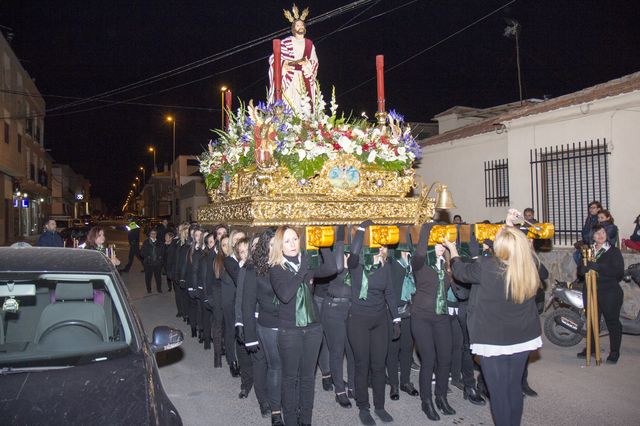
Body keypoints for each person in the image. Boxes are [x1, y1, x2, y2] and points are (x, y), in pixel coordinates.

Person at [445, 210, 543, 426]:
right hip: (522, 336)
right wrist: (509, 224)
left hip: (493, 338)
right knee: (513, 388)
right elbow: (515, 244)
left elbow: (460, 271)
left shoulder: (487, 266)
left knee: (499, 393)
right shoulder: (528, 265)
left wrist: (452, 249)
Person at [269, 226, 336, 426]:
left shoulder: (307, 261)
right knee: (290, 379)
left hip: (313, 329)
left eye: (295, 239)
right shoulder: (276, 268)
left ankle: (306, 420)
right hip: (289, 331)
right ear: (280, 245)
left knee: (308, 378)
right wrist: (302, 271)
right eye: (287, 241)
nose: (292, 244)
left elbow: (332, 268)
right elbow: (286, 294)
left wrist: (323, 244)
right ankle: (290, 420)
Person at [346, 221, 400, 426]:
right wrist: (362, 229)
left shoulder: (385, 267)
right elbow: (354, 250)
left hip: (379, 320)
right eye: (376, 245)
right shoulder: (356, 264)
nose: (380, 249)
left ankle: (379, 406)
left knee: (379, 366)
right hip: (358, 320)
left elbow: (390, 293)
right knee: (363, 365)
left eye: (383, 246)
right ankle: (364, 408)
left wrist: (395, 318)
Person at [411, 224, 455, 421]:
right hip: (421, 317)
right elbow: (420, 251)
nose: (439, 246)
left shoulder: (447, 265)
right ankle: (426, 401)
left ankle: (441, 397)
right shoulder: (420, 263)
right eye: (435, 243)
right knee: (428, 359)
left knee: (445, 358)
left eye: (441, 243)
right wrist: (427, 230)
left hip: (441, 317)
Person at [577, 224, 625, 364]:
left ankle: (614, 352)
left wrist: (598, 267)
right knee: (592, 321)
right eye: (597, 233)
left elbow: (618, 272)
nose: (601, 235)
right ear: (592, 236)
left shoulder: (613, 251)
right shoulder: (588, 251)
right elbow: (580, 271)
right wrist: (583, 268)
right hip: (590, 291)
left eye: (603, 232)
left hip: (609, 291)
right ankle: (592, 349)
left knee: (612, 322)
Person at [320, 225, 356, 409]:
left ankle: (353, 387)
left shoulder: (354, 254)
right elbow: (339, 266)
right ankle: (339, 390)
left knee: (352, 350)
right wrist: (340, 233)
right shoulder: (334, 256)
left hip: (351, 309)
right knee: (337, 350)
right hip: (333, 308)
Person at [268, 5, 318, 113]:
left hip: (304, 77)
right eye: (297, 25)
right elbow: (273, 58)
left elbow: (315, 62)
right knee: (289, 104)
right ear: (293, 28)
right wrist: (283, 65)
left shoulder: (309, 44)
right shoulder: (286, 42)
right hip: (289, 78)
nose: (300, 26)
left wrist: (308, 65)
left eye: (302, 25)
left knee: (305, 106)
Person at [385, 244, 418, 401]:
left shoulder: (412, 261)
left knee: (406, 349)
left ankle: (405, 381)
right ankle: (394, 385)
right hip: (393, 311)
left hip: (409, 311)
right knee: (393, 350)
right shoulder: (392, 260)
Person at [141, 228, 165, 294]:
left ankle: (159, 289)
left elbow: (163, 251)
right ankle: (149, 289)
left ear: (156, 234)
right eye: (152, 233)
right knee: (148, 277)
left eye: (155, 233)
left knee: (158, 277)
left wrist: (160, 257)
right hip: (148, 263)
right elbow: (142, 253)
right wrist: (147, 257)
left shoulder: (160, 242)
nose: (153, 235)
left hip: (157, 263)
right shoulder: (146, 242)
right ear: (149, 234)